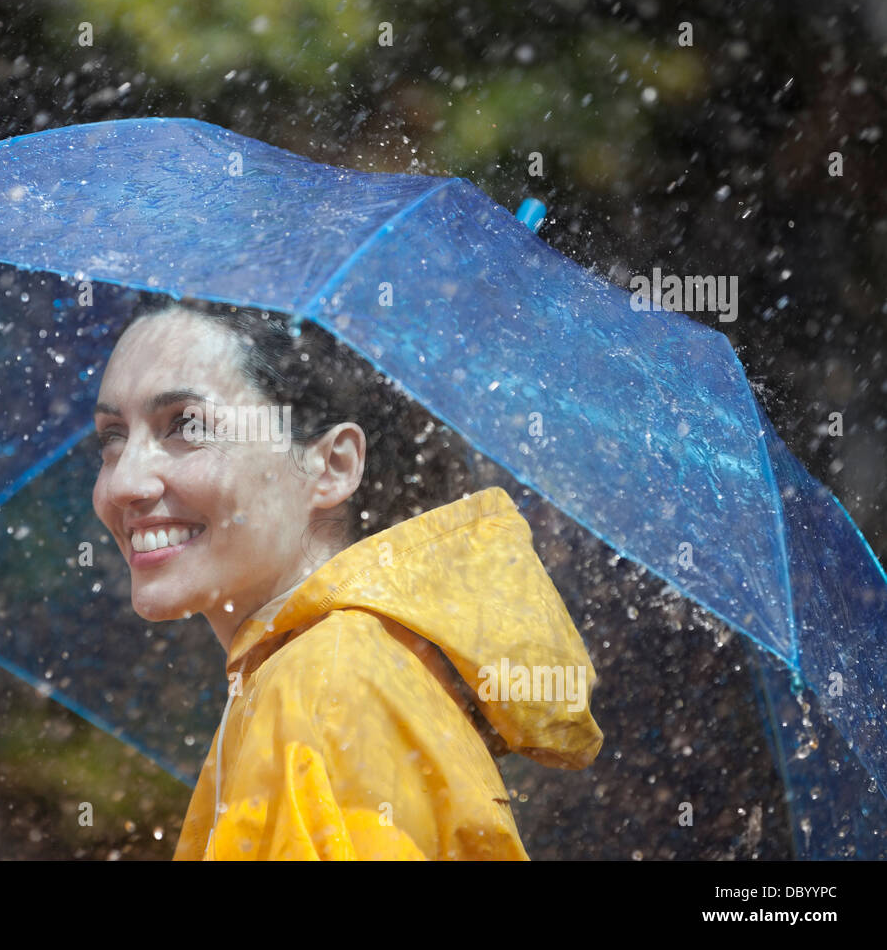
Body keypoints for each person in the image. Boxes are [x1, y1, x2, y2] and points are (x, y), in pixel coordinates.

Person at [91, 296, 603, 860]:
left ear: (331, 467)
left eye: (185, 425)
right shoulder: (354, 665)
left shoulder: (322, 687)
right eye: (112, 438)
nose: (123, 484)